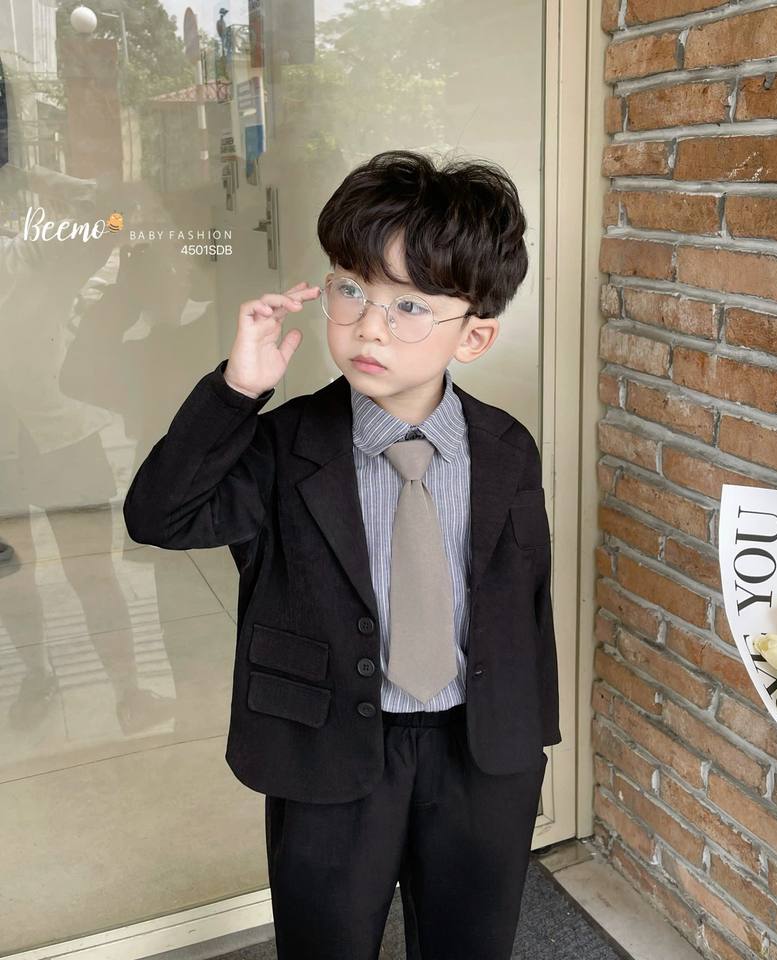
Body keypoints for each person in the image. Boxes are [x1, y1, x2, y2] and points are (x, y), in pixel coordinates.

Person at [122, 149, 561, 960]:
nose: (368, 326)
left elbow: (522, 599)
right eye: (351, 289)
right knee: (326, 941)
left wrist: (526, 740)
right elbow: (159, 516)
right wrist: (236, 391)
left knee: (471, 941)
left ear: (474, 335)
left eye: (409, 305)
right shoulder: (283, 445)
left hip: (478, 751)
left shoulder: (506, 447)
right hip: (326, 749)